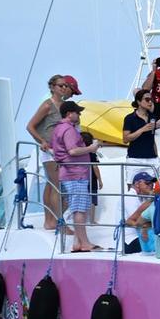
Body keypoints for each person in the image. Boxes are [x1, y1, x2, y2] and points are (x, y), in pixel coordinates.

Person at [25, 74, 75, 229]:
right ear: (52, 87)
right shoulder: (48, 105)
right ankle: (60, 222)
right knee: (57, 186)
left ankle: (50, 221)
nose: (64, 88)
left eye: (66, 85)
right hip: (51, 151)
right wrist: (42, 141)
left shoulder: (64, 107)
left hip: (61, 150)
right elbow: (30, 126)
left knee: (52, 185)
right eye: (61, 85)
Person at [52, 101, 101, 252]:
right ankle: (85, 243)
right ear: (69, 114)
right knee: (80, 209)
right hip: (75, 173)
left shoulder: (58, 129)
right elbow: (72, 151)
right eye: (77, 112)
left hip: (70, 173)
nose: (79, 115)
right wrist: (91, 148)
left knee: (78, 207)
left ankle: (77, 243)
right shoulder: (69, 130)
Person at [122, 89, 158, 171]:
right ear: (138, 102)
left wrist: (156, 157)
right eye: (147, 99)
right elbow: (125, 139)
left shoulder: (152, 117)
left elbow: (152, 139)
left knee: (153, 183)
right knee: (133, 183)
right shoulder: (130, 118)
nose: (150, 102)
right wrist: (142, 129)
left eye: (151, 100)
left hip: (152, 158)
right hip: (135, 158)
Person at [122, 171, 157, 254]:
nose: (151, 186)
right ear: (137, 184)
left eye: (152, 184)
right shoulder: (129, 196)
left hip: (140, 235)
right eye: (147, 183)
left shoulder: (142, 197)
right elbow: (137, 220)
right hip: (130, 239)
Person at [80, 131, 102, 224]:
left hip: (81, 179)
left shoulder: (80, 153)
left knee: (82, 198)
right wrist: (100, 180)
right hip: (91, 179)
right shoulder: (92, 154)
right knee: (92, 200)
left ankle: (82, 220)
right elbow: (95, 167)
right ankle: (92, 220)